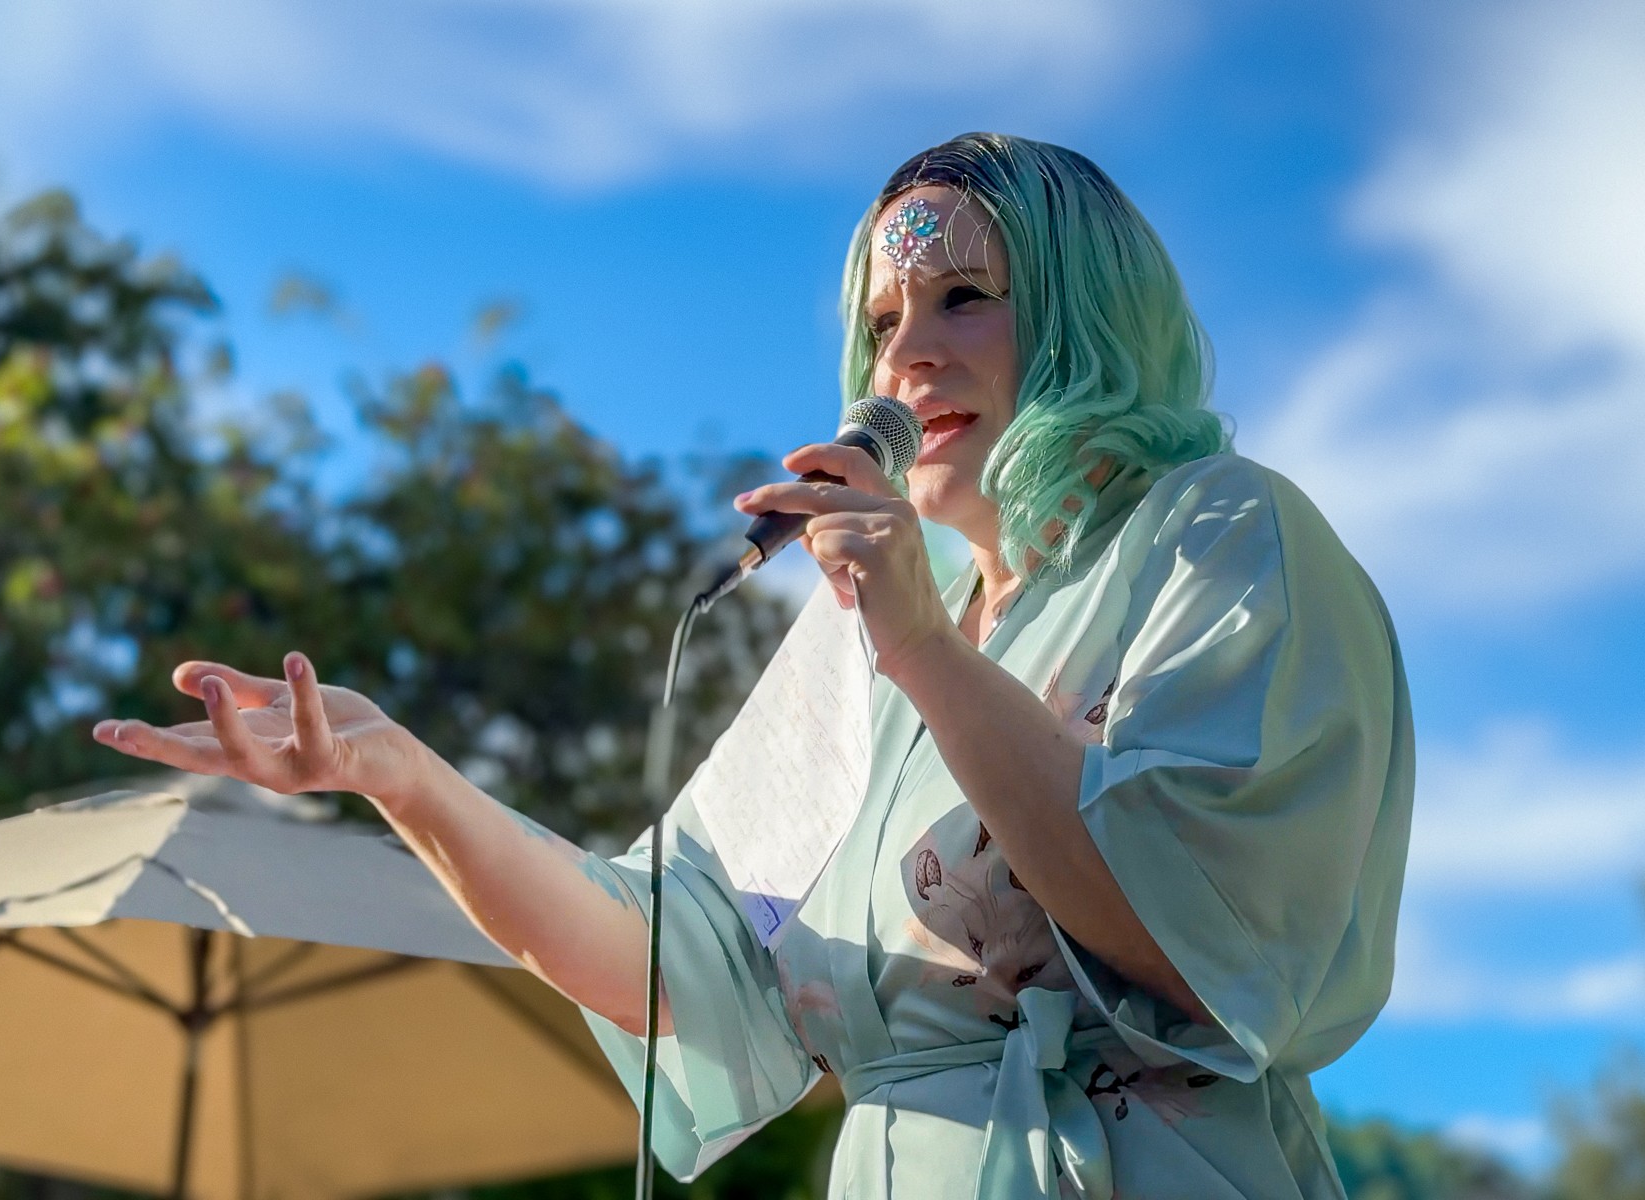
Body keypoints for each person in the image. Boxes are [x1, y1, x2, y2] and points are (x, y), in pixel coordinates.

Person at [93, 133, 1413, 1199]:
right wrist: (403, 779)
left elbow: (1204, 936)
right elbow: (675, 960)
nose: (908, 358)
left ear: (1088, 318)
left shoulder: (1220, 529)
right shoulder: (869, 625)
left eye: (966, 298)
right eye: (883, 321)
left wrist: (916, 643)